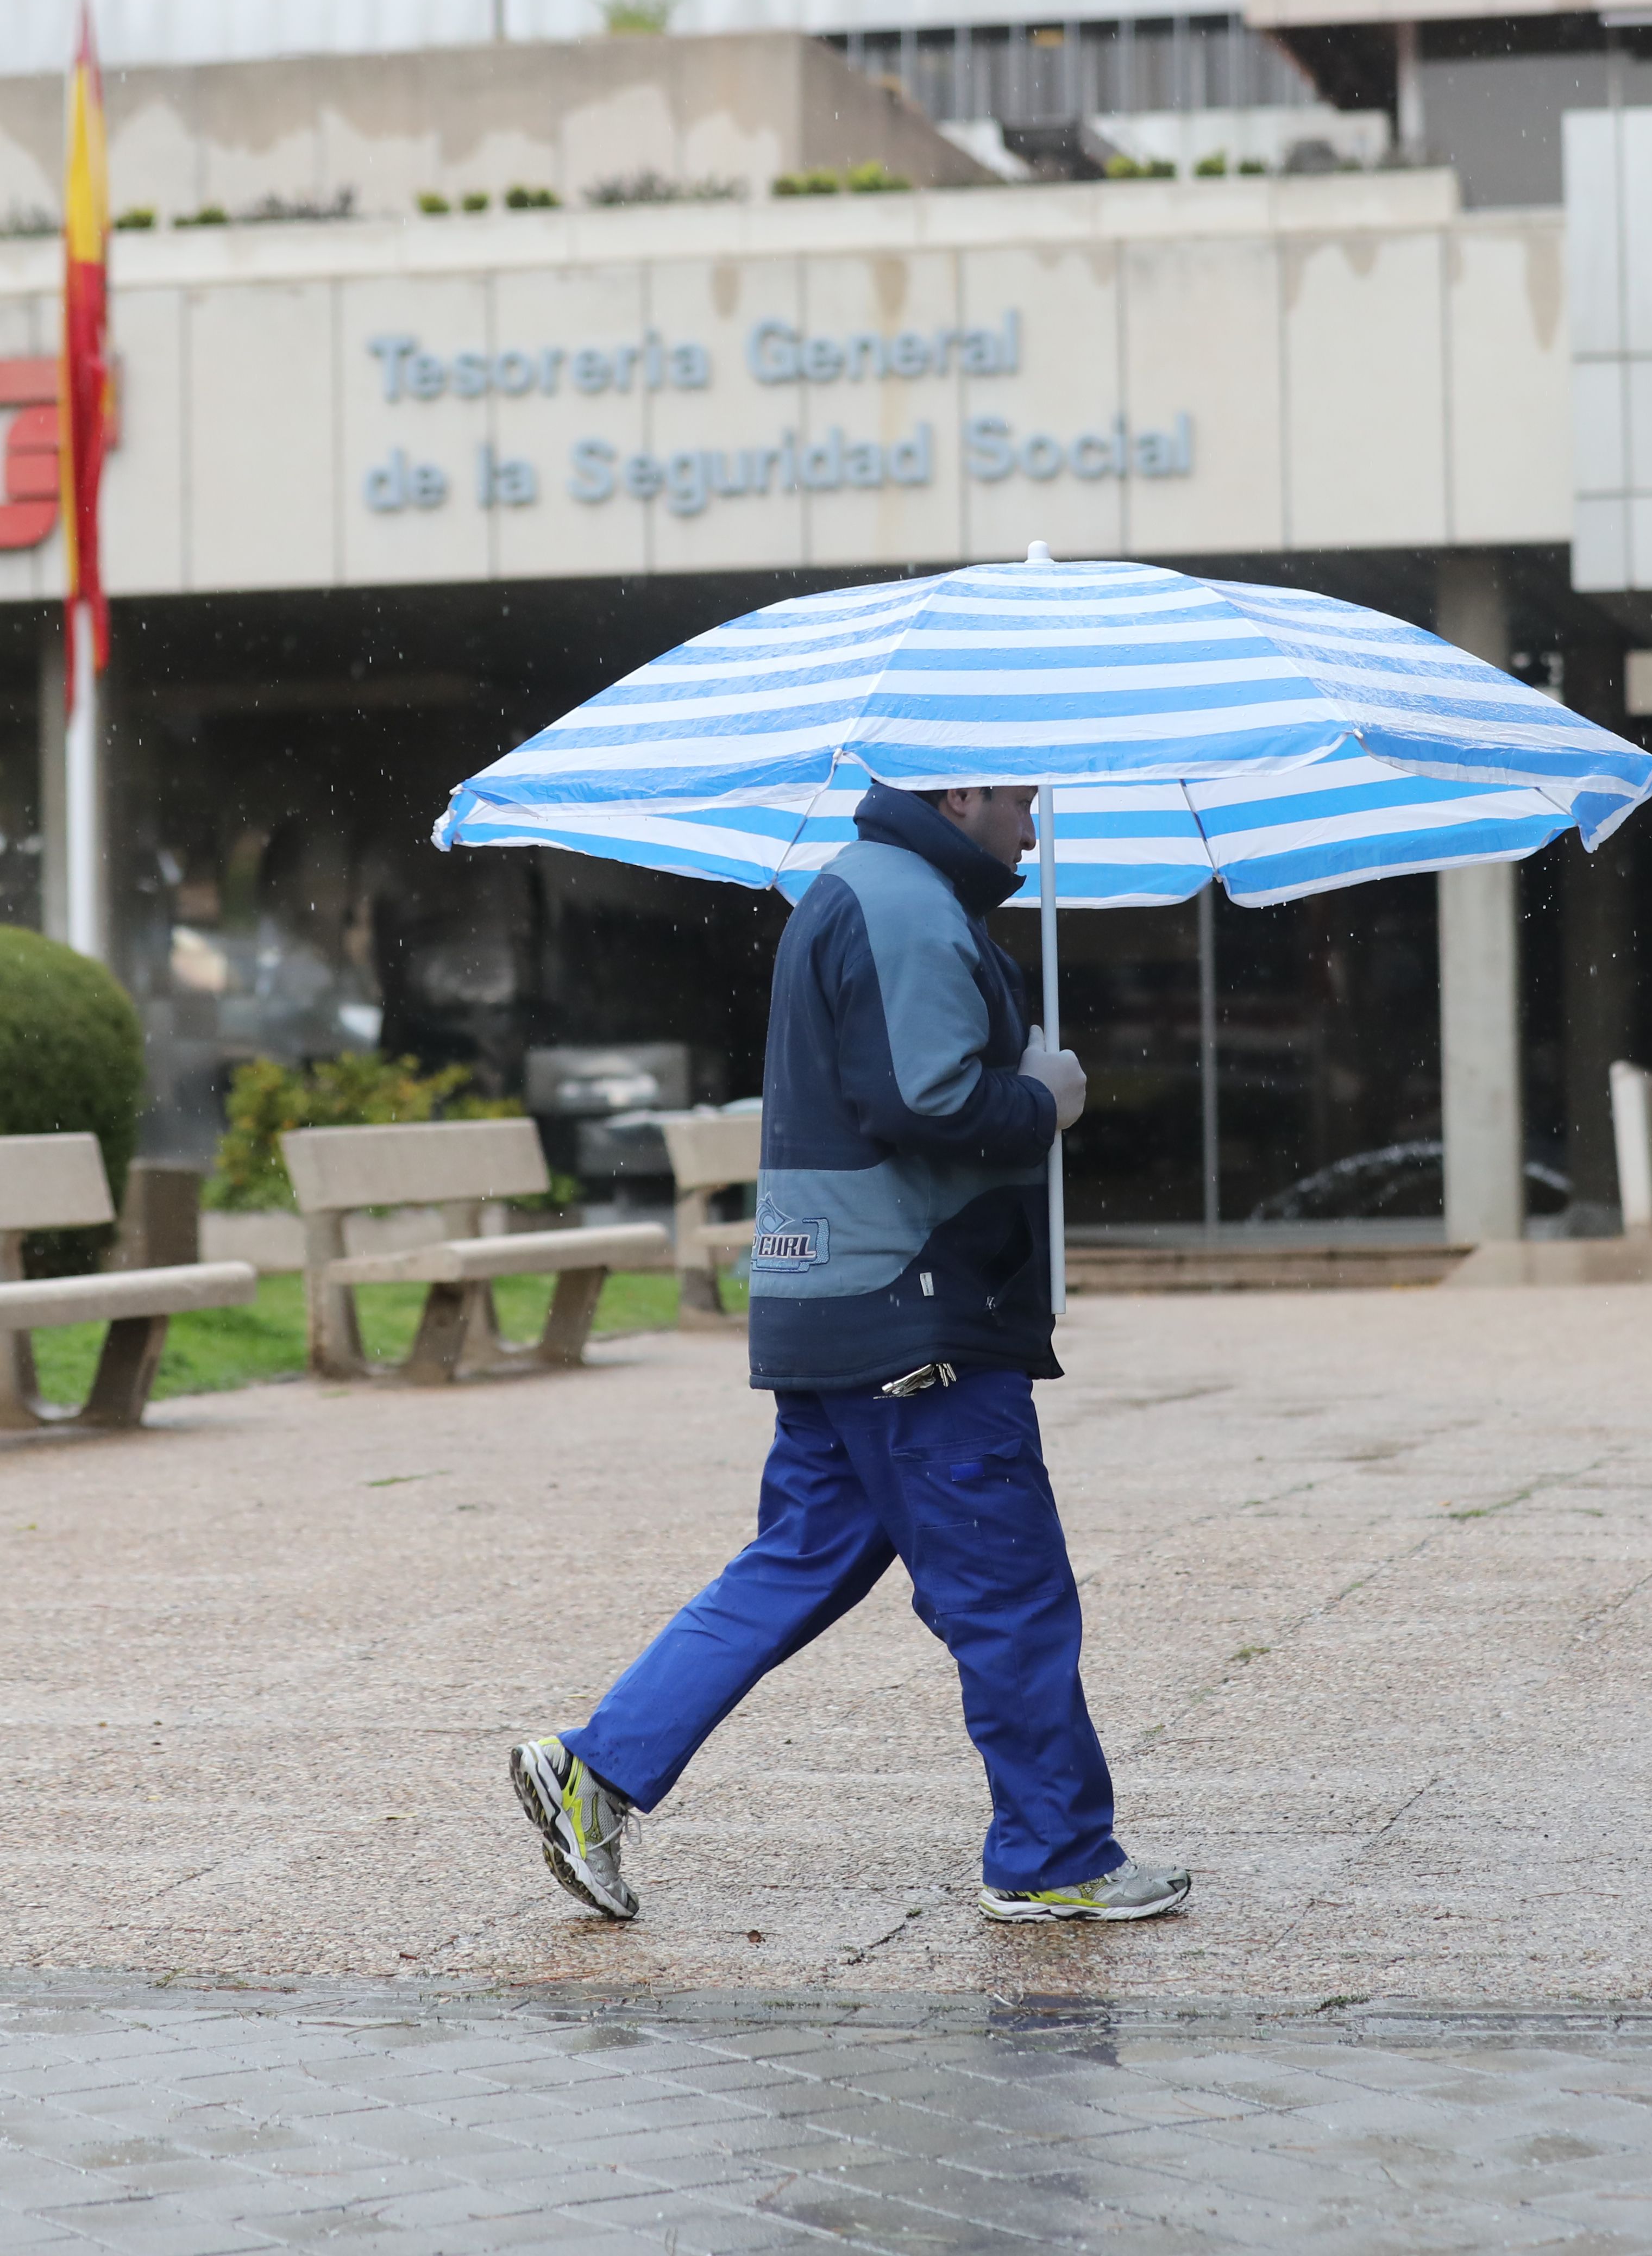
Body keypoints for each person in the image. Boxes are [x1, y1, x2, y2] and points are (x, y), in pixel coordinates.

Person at [508, 779, 1191, 1926]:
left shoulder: (860, 889)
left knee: (795, 1562)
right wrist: (1045, 1096)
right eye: (1021, 802)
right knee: (1009, 1589)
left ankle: (596, 1767)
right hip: (912, 1310)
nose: (1034, 828)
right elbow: (924, 1104)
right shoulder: (910, 903)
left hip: (834, 1297)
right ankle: (1055, 1852)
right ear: (959, 791)